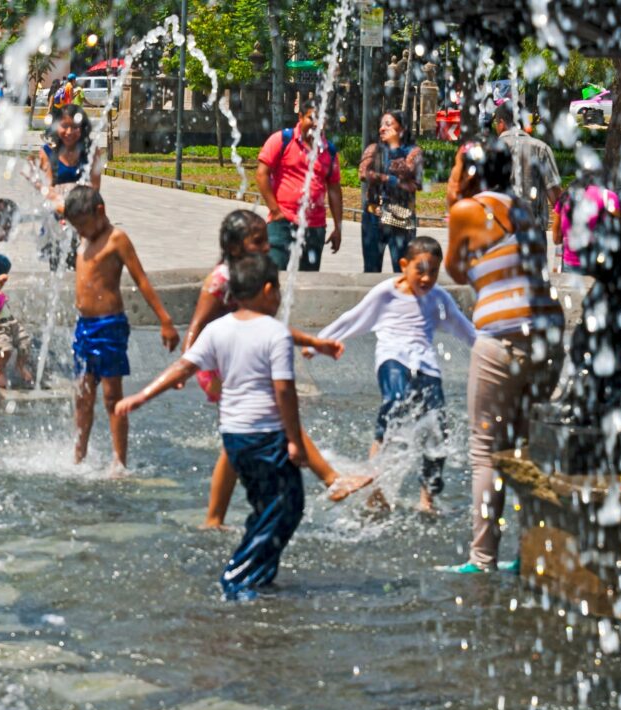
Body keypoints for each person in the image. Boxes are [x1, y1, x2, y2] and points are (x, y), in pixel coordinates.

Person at [116, 254, 305, 601]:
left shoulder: (218, 329)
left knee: (267, 506)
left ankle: (259, 577)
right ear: (267, 290)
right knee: (288, 505)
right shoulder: (275, 333)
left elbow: (183, 368)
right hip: (266, 436)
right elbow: (284, 391)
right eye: (278, 290)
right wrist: (295, 441)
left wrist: (141, 397)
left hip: (234, 439)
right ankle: (238, 579)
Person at [184, 210, 370, 529]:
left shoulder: (249, 276)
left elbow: (269, 326)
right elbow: (197, 325)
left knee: (234, 443)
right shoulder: (222, 278)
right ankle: (331, 479)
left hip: (233, 362)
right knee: (282, 415)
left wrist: (314, 341)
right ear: (234, 246)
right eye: (259, 242)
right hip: (218, 366)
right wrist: (187, 367)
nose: (267, 247)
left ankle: (214, 518)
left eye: (266, 240)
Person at [443, 140, 565, 573]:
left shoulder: (466, 211)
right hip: (549, 336)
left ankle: (483, 558)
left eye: (459, 167)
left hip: (503, 336)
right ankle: (531, 550)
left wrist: (456, 188)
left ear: (473, 173)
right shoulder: (523, 211)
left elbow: (456, 271)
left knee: (485, 450)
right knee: (522, 446)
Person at [312, 236, 475, 514]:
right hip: (392, 358)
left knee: (438, 424)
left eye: (433, 272)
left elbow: (465, 328)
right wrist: (319, 342)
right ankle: (375, 484)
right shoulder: (386, 292)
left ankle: (427, 499)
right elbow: (353, 317)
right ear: (404, 265)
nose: (426, 278)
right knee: (395, 401)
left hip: (425, 365)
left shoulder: (439, 298)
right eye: (419, 270)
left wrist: (492, 349)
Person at [63, 186, 179, 469]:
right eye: (75, 226)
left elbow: (141, 280)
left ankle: (119, 460)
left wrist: (165, 320)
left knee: (111, 395)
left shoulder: (116, 239)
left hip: (109, 326)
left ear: (99, 212)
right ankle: (79, 455)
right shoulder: (86, 234)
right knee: (82, 393)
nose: (79, 232)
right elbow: (57, 203)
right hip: (84, 326)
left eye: (82, 225)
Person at [256, 99, 343, 272]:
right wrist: (275, 210)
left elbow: (334, 189)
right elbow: (261, 174)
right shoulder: (282, 140)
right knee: (277, 277)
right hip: (282, 223)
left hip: (315, 227)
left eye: (322, 119)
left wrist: (337, 228)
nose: (317, 124)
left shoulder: (329, 151)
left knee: (307, 283)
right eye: (312, 118)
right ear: (301, 117)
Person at [37, 104, 101, 271]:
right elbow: (48, 189)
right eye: (65, 126)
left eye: (75, 127)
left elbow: (95, 188)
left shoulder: (92, 152)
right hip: (58, 215)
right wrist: (63, 207)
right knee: (57, 266)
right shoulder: (47, 152)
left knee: (84, 267)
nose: (69, 132)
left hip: (84, 215)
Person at [359, 110, 423, 272]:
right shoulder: (373, 149)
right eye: (381, 124)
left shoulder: (414, 152)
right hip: (374, 215)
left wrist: (394, 147)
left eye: (388, 124)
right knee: (371, 270)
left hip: (401, 216)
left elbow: (414, 179)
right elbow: (364, 173)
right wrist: (393, 180)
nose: (382, 128)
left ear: (402, 129)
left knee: (403, 269)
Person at [491, 102, 562, 230]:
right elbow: (556, 197)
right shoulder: (541, 148)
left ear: (501, 123)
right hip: (533, 232)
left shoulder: (489, 150)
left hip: (498, 232)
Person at [551, 173, 621, 274]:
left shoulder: (565, 197)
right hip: (600, 263)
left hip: (571, 264)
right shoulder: (609, 197)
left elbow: (556, 239)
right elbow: (617, 233)